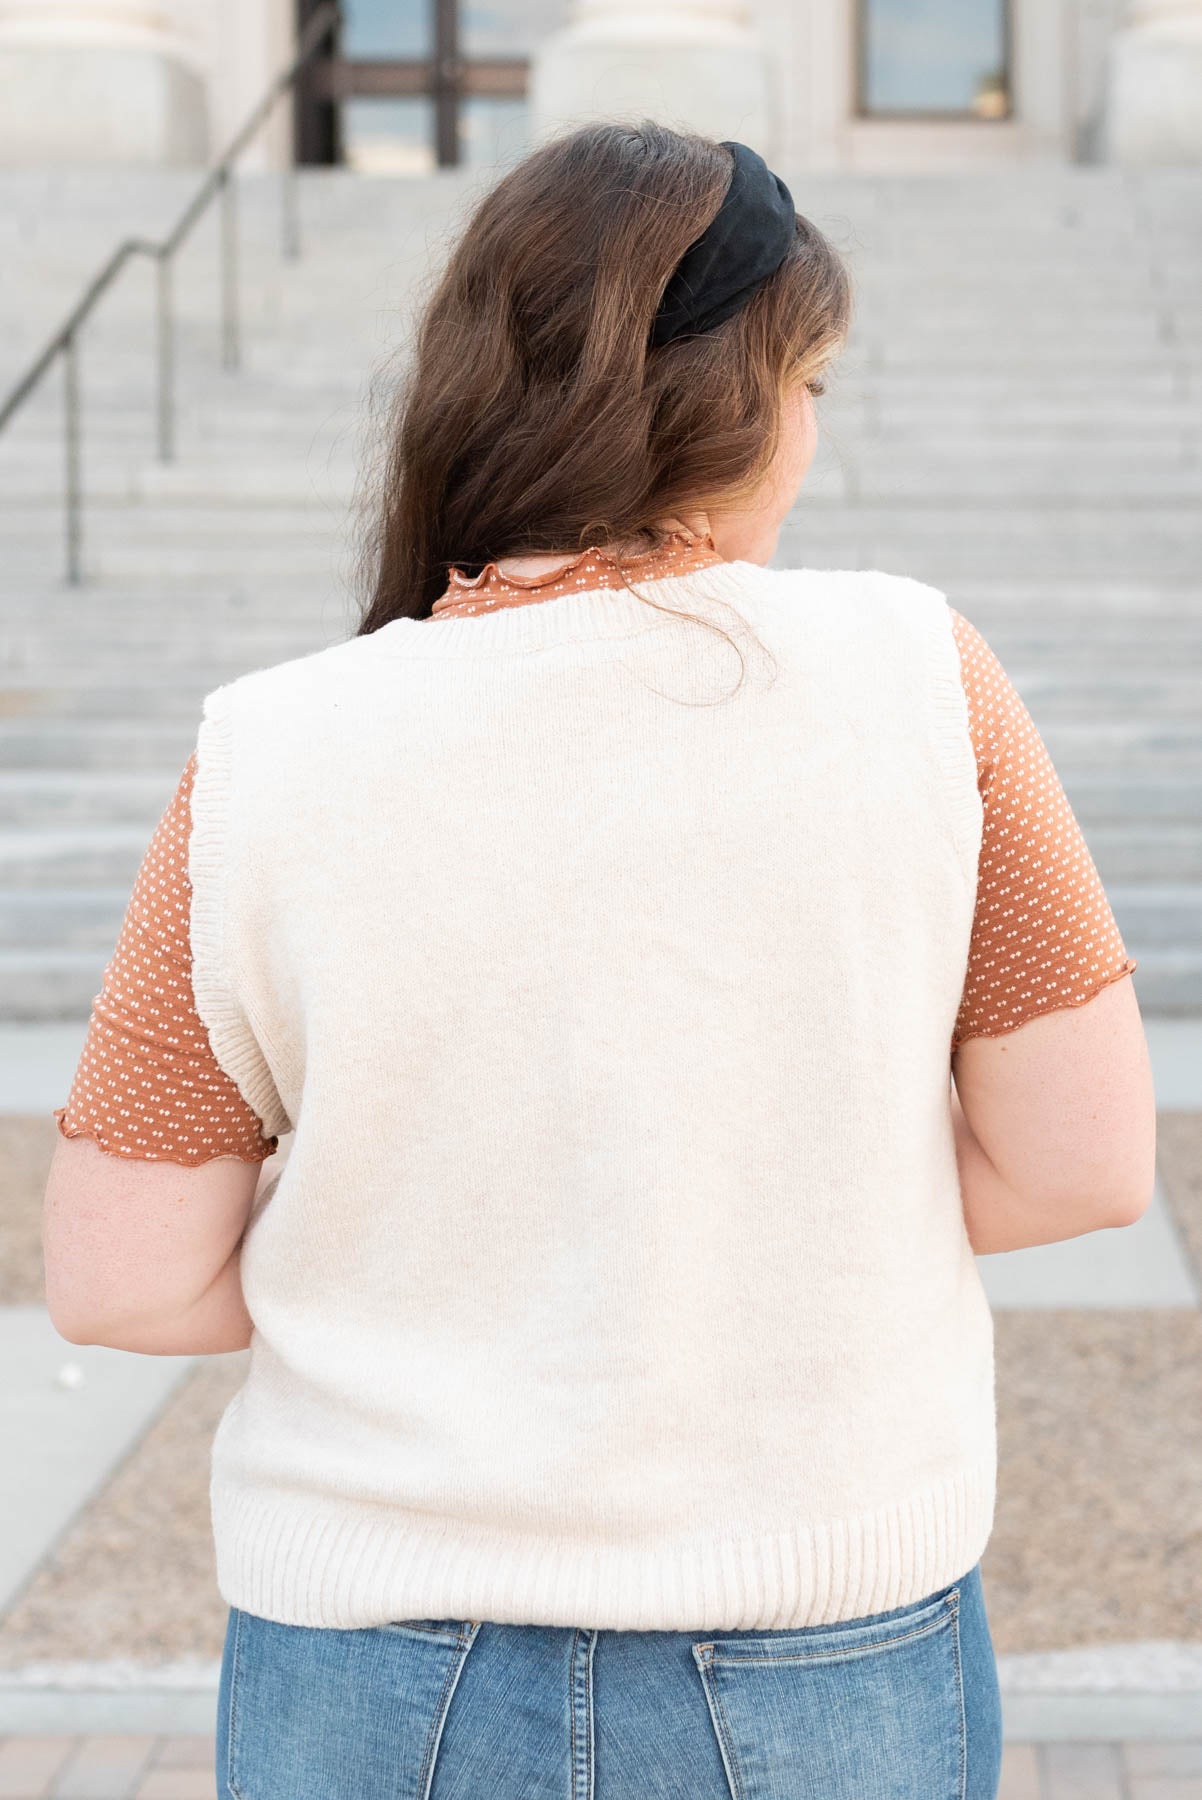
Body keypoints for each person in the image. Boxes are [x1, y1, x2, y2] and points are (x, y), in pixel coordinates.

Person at [42, 123, 1155, 1800]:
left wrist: (443, 1249)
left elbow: (122, 1275)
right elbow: (1079, 1163)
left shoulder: (268, 749)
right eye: (814, 389)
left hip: (374, 1661)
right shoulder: (917, 675)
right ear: (746, 398)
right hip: (819, 1629)